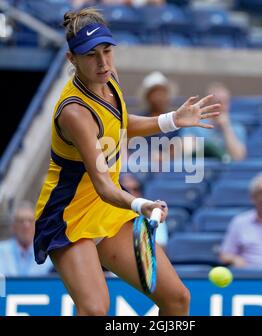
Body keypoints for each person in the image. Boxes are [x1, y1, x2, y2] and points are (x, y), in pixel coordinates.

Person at [33, 7, 221, 316]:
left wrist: (173, 119)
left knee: (177, 300)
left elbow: (118, 122)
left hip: (108, 211)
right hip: (69, 217)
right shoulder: (74, 112)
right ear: (72, 60)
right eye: (91, 55)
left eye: (107, 51)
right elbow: (104, 185)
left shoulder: (109, 79)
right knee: (94, 309)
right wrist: (141, 204)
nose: (103, 62)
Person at [180, 82, 247, 162]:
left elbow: (238, 158)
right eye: (217, 102)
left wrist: (226, 127)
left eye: (225, 102)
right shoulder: (194, 124)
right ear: (208, 103)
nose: (221, 106)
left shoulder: (237, 128)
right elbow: (187, 150)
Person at [0, 201, 53, 276]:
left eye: (30, 221)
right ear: (13, 226)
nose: (26, 226)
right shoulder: (1, 251)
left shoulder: (48, 254)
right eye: (21, 221)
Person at [120, 172, 169, 249]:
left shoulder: (154, 214)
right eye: (126, 190)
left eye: (135, 189)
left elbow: (160, 249)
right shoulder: (108, 215)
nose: (131, 193)